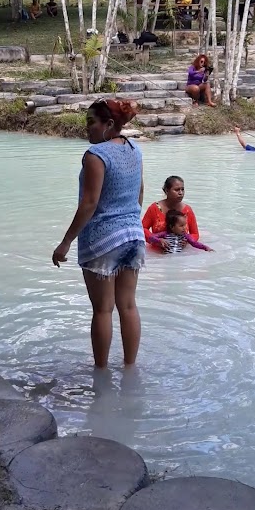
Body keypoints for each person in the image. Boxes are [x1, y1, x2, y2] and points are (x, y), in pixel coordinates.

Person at [52, 99, 145, 377]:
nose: (87, 129)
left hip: (103, 239)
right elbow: (140, 193)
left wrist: (66, 241)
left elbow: (89, 203)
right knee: (128, 305)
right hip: (133, 237)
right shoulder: (135, 149)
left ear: (109, 125)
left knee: (103, 311)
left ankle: (101, 374)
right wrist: (129, 223)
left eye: (92, 123)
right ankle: (130, 369)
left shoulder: (96, 155)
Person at [142, 176, 199, 245]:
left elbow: (195, 234)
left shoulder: (187, 210)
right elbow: (142, 229)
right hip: (158, 252)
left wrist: (188, 241)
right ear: (166, 191)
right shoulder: (154, 208)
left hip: (180, 251)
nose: (181, 193)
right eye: (177, 190)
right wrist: (157, 240)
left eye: (182, 189)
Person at [149, 210, 213, 254]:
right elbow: (151, 237)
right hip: (166, 258)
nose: (184, 228)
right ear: (172, 227)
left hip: (179, 258)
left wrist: (205, 248)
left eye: (185, 225)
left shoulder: (185, 236)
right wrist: (159, 240)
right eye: (181, 225)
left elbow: (194, 243)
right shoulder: (165, 234)